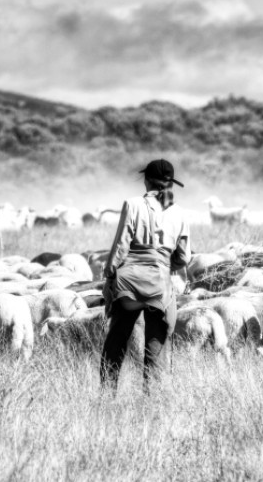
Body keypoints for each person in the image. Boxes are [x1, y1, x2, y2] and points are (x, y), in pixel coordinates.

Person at [100, 159, 191, 391]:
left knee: (117, 339)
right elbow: (183, 257)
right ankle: (153, 397)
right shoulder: (179, 212)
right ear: (171, 183)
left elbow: (121, 245)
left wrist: (110, 275)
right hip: (160, 283)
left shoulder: (132, 204)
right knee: (155, 343)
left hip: (129, 282)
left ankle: (107, 393)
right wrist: (162, 261)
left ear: (146, 180)